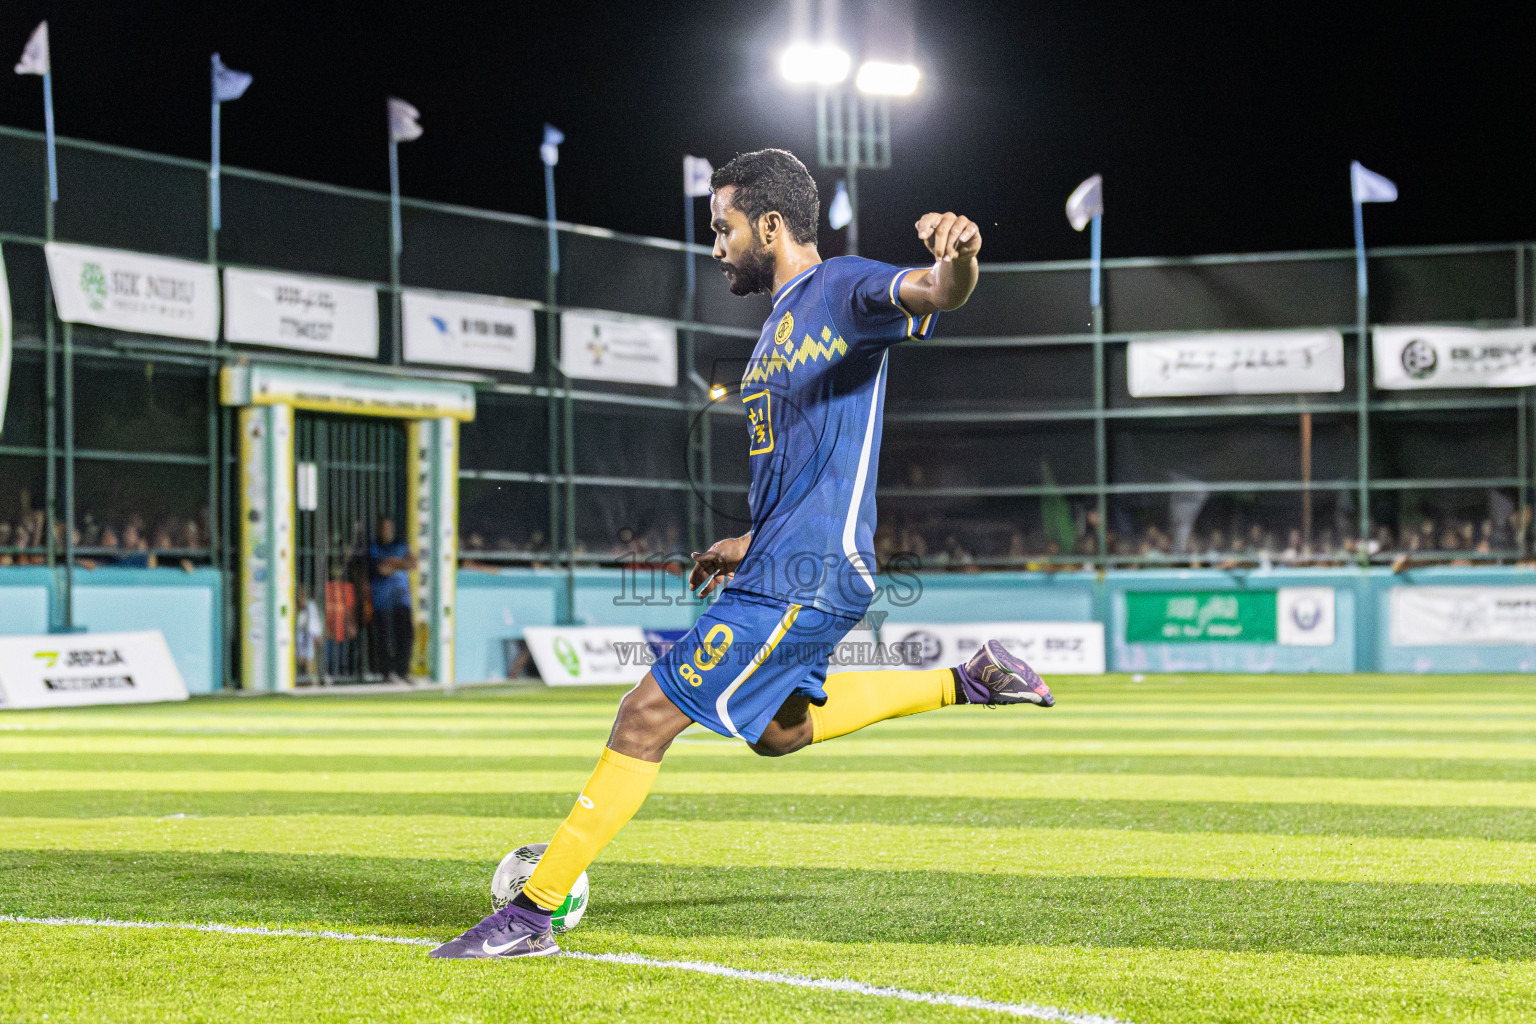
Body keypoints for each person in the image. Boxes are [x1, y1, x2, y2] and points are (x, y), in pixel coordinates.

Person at [431, 148, 1054, 960]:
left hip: (808, 575)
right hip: (789, 562)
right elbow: (811, 460)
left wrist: (960, 257)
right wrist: (751, 537)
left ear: (768, 224)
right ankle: (969, 680)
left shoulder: (840, 289)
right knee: (779, 735)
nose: (715, 245)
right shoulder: (777, 330)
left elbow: (936, 291)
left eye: (721, 228)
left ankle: (531, 915)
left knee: (644, 715)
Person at [368, 517, 417, 683]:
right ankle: (387, 673)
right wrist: (400, 563)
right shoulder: (374, 548)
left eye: (389, 527)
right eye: (384, 528)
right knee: (385, 638)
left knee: (406, 635)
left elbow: (412, 563)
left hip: (402, 599)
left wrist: (392, 563)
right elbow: (381, 569)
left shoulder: (401, 545)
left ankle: (402, 672)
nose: (387, 531)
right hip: (382, 600)